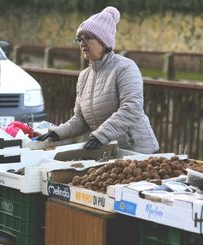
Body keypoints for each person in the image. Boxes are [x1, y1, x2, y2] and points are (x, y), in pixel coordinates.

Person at [39, 6, 159, 154]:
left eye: (88, 37)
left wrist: (100, 136)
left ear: (105, 42)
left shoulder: (125, 67)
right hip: (109, 151)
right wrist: (57, 133)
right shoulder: (84, 77)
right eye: (79, 39)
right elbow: (81, 119)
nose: (82, 43)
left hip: (139, 151)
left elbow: (131, 109)